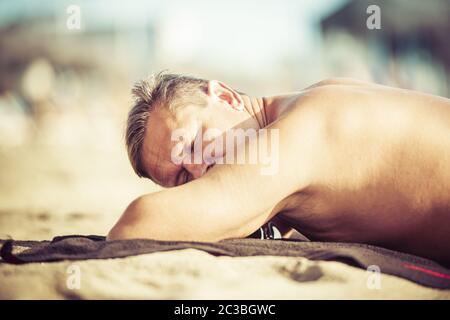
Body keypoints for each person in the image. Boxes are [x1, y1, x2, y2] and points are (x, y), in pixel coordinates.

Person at [108, 72, 450, 266]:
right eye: (182, 179)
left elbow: (135, 224)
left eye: (194, 142)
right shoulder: (315, 97)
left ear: (226, 97)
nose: (199, 172)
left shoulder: (293, 134)